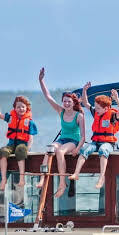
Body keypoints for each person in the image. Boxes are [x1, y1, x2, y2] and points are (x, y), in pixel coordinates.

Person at [37, 67, 86, 197]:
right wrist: (41, 80)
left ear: (73, 102)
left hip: (74, 141)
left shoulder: (79, 116)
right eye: (64, 101)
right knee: (49, 149)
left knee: (60, 152)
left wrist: (78, 149)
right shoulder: (61, 111)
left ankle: (62, 183)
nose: (66, 103)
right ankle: (42, 178)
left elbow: (83, 137)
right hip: (62, 139)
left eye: (69, 101)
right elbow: (48, 97)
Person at [70, 82, 119, 189]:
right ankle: (76, 174)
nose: (96, 110)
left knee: (103, 150)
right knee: (85, 149)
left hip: (108, 143)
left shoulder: (112, 116)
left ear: (106, 109)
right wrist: (84, 90)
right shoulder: (96, 112)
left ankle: (101, 177)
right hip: (95, 142)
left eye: (98, 108)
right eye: (96, 107)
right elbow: (85, 103)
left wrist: (117, 99)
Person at [0, 94, 38, 191]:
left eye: (23, 107)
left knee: (20, 150)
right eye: (18, 107)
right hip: (11, 144)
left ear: (27, 108)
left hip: (23, 144)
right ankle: (3, 179)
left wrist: (28, 149)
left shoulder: (30, 122)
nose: (21, 109)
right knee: (3, 151)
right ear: (15, 108)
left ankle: (22, 178)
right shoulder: (11, 118)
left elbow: (30, 138)